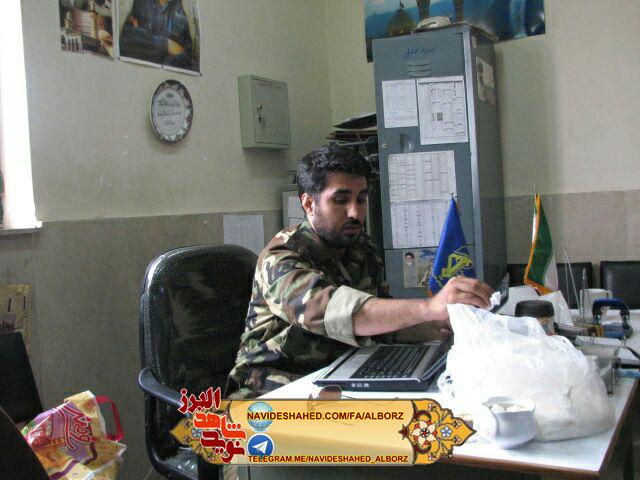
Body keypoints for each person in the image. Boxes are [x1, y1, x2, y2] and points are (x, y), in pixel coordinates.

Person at [226, 146, 493, 398]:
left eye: (361, 199)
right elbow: (335, 312)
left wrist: (433, 327)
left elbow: (377, 323)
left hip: (338, 373)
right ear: (308, 204)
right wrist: (428, 307)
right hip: (271, 388)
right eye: (341, 200)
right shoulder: (282, 256)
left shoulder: (361, 248)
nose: (355, 212)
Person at [119, 0, 194, 70]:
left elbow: (189, 58)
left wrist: (145, 41)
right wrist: (167, 45)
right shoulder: (137, 3)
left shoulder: (184, 8)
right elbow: (126, 39)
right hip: (137, 70)